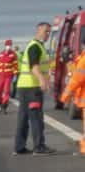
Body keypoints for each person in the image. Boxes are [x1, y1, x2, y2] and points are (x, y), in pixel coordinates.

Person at [14, 22, 54, 155]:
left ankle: (19, 147)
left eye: (49, 32)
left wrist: (47, 80)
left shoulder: (37, 46)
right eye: (45, 31)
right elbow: (34, 67)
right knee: (36, 117)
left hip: (25, 87)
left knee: (24, 118)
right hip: (32, 88)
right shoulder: (35, 47)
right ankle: (39, 147)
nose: (48, 34)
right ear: (38, 31)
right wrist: (42, 80)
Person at [59, 45, 85, 154]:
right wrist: (69, 62)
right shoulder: (81, 58)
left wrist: (65, 95)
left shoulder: (83, 59)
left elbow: (77, 79)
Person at [0, 40, 19, 112]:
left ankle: (4, 106)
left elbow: (15, 66)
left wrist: (15, 75)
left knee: (6, 91)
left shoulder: (13, 54)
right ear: (5, 45)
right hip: (1, 75)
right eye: (7, 45)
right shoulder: (1, 54)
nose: (8, 46)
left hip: (8, 76)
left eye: (10, 45)